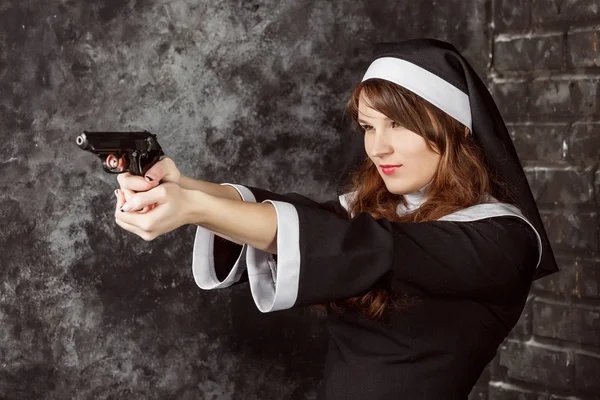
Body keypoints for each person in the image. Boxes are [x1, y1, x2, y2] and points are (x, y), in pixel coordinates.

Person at [112, 39, 558, 399]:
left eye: (397, 126)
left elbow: (369, 247)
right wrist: (183, 185)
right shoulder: (382, 207)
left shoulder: (504, 239)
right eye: (368, 127)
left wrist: (194, 208)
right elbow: (301, 217)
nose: (377, 148)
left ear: (457, 127)